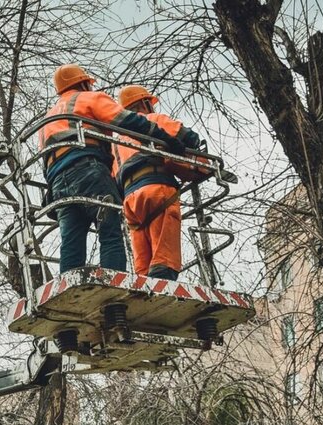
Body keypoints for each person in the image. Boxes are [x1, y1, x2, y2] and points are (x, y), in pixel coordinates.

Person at [38, 65, 189, 350]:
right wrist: (166, 139)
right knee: (109, 230)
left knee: (72, 243)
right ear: (84, 84)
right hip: (89, 171)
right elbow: (126, 120)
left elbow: (47, 158)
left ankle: (68, 321)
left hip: (59, 184)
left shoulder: (49, 117)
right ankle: (113, 298)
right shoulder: (88, 100)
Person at [112, 85, 204, 281]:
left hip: (130, 201)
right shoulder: (152, 120)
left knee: (143, 259)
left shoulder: (115, 142)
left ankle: (143, 286)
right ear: (145, 103)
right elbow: (189, 138)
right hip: (156, 189)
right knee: (164, 253)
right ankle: (164, 280)